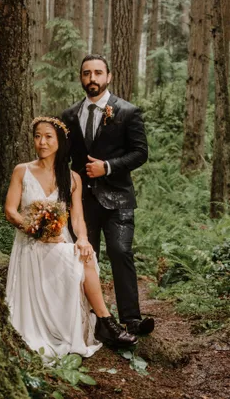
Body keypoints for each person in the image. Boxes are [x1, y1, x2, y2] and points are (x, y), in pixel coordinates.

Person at [5, 116, 137, 360]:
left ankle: (104, 322)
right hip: (31, 244)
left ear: (60, 141)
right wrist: (38, 231)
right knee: (81, 260)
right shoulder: (22, 171)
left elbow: (77, 219)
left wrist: (83, 239)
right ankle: (106, 322)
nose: (41, 142)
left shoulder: (72, 177)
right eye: (37, 136)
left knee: (83, 253)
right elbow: (11, 211)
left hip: (60, 241)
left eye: (48, 136)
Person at [62, 54, 155, 336]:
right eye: (87, 73)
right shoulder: (67, 116)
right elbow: (63, 158)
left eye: (98, 73)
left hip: (118, 198)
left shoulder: (127, 112)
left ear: (109, 76)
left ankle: (132, 319)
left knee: (120, 251)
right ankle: (91, 317)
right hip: (81, 202)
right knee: (85, 257)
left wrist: (108, 167)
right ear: (81, 77)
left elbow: (141, 153)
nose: (93, 78)